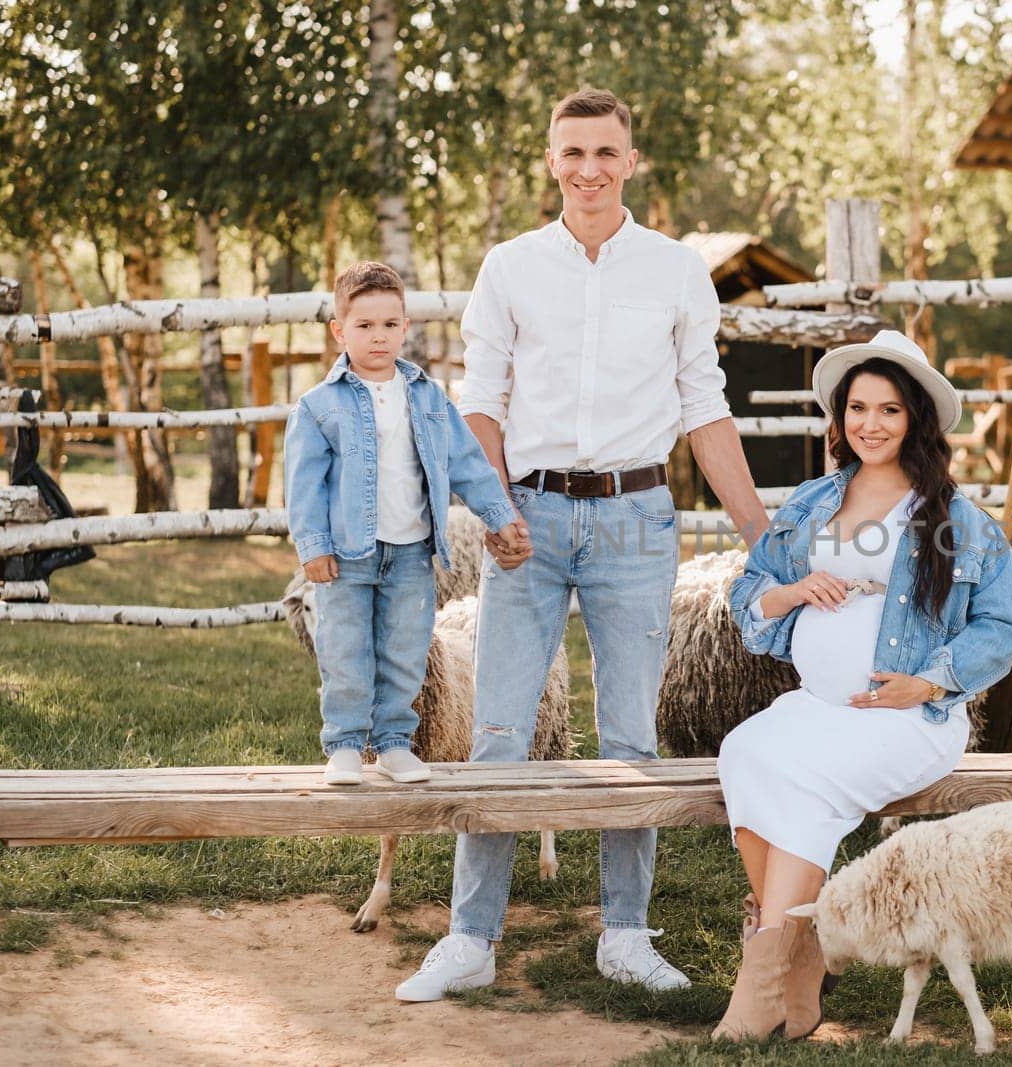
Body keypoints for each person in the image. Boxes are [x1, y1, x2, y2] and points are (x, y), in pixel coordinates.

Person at [396, 88, 767, 1002]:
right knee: (499, 730)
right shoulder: (511, 267)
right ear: (552, 160)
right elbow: (479, 400)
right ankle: (469, 937)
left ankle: (626, 932)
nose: (590, 168)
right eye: (574, 152)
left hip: (639, 517)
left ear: (631, 161)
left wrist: (763, 533)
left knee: (630, 735)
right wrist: (494, 510)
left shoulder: (676, 270)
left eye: (607, 151)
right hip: (529, 519)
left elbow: (704, 407)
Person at [711, 329, 1012, 1040]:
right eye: (858, 408)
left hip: (905, 721)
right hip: (819, 706)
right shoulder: (813, 501)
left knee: (806, 783)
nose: (870, 424)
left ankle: (760, 982)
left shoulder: (953, 519)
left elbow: (999, 629)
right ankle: (803, 953)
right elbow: (749, 591)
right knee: (745, 751)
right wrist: (793, 590)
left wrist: (929, 681)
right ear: (840, 416)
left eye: (888, 410)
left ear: (914, 418)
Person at [284, 261, 526, 787]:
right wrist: (312, 546)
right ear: (339, 330)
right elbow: (304, 485)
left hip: (413, 551)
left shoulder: (427, 397)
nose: (378, 337)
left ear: (405, 327)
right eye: (364, 326)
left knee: (405, 650)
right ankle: (346, 745)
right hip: (347, 553)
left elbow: (467, 463)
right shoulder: (318, 407)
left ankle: (394, 743)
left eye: (389, 325)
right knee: (345, 650)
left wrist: (500, 516)